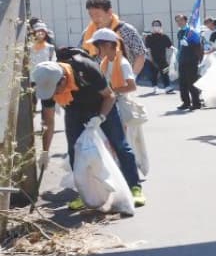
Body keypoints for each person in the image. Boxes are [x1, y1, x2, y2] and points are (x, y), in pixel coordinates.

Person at [33, 52, 144, 211]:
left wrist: (100, 118)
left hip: (102, 105)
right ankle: (85, 194)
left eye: (56, 91)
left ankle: (134, 187)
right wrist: (44, 151)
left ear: (63, 80)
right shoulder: (48, 86)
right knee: (74, 151)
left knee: (119, 145)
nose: (54, 95)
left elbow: (110, 96)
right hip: (74, 110)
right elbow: (48, 121)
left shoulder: (85, 68)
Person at [80, 0, 146, 76]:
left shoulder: (126, 30)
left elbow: (140, 55)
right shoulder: (87, 33)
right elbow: (81, 56)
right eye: (91, 15)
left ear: (109, 12)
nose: (94, 19)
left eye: (97, 14)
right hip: (97, 84)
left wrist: (133, 76)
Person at [174, 14, 203, 111]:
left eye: (181, 20)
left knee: (192, 82)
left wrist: (189, 44)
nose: (179, 22)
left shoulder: (191, 31)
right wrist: (177, 59)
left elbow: (197, 43)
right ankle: (185, 102)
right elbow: (179, 47)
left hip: (191, 60)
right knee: (182, 82)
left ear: (186, 21)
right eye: (177, 21)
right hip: (182, 60)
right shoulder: (180, 32)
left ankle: (196, 103)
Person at [144, 19, 173, 93]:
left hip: (163, 60)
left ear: (160, 26)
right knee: (154, 74)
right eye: (155, 25)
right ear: (152, 27)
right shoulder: (149, 37)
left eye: (158, 25)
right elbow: (147, 48)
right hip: (153, 59)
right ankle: (155, 87)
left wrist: (173, 51)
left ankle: (167, 87)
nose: (156, 27)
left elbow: (169, 46)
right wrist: (150, 58)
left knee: (165, 73)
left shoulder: (164, 37)